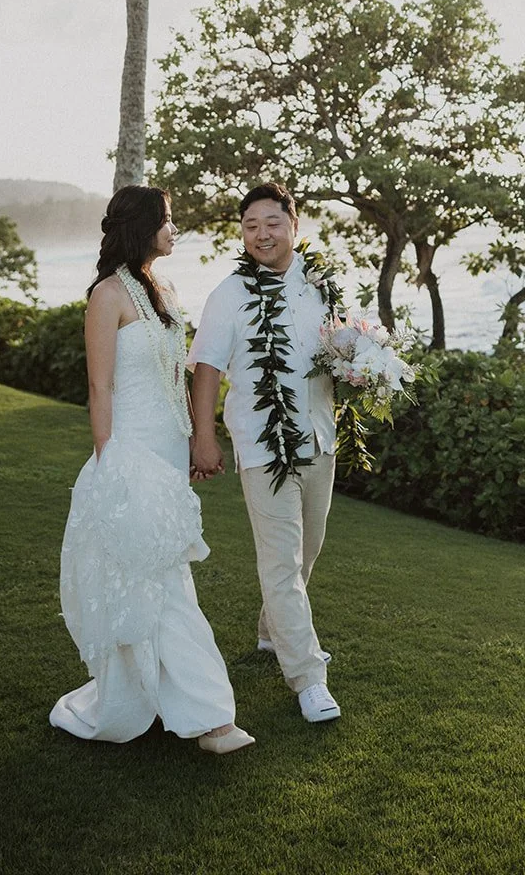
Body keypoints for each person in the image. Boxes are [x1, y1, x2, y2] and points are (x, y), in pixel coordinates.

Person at [50, 185, 253, 754]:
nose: (174, 229)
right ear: (141, 226)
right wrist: (108, 461)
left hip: (167, 447)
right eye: (166, 220)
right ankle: (210, 719)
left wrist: (191, 442)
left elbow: (174, 375)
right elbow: (100, 387)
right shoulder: (107, 295)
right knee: (156, 580)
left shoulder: (163, 288)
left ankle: (164, 698)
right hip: (130, 452)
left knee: (166, 576)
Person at [188, 182, 340, 724]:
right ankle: (308, 679)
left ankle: (271, 634)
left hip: (320, 437)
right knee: (280, 563)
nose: (262, 235)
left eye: (272, 223)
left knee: (307, 553)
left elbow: (337, 350)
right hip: (263, 446)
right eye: (250, 226)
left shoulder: (320, 286)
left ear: (294, 226)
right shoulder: (229, 295)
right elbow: (206, 367)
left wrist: (361, 368)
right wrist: (204, 437)